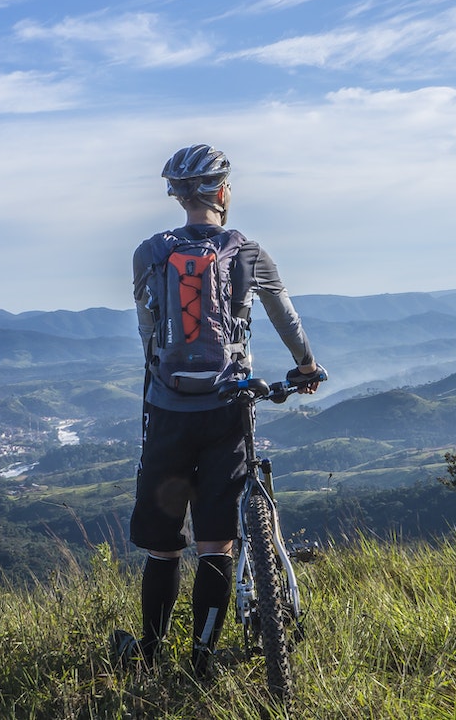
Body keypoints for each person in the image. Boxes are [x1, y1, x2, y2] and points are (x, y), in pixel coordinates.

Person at [113, 143, 324, 677]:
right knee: (217, 542)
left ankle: (151, 655)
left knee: (163, 548)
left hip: (167, 410)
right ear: (223, 192)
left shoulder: (149, 253)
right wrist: (305, 367)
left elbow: (146, 331)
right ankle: (202, 658)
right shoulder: (247, 251)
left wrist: (163, 381)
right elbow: (285, 317)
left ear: (177, 195)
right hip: (228, 407)